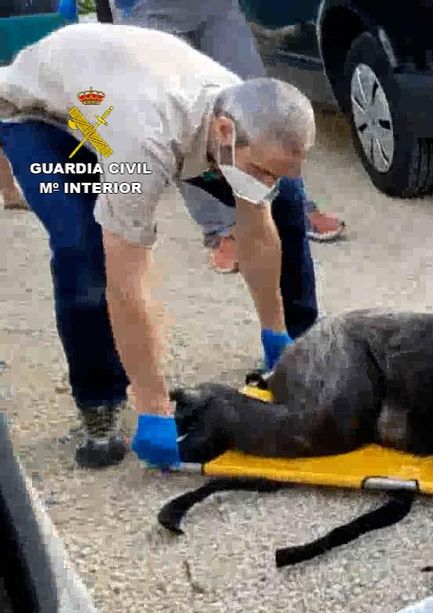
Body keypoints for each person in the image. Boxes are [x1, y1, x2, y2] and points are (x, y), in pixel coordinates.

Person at [0, 22, 321, 470]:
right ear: (225, 132)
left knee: (285, 199)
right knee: (84, 249)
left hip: (117, 94)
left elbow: (257, 223)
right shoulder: (144, 145)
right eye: (262, 169)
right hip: (44, 119)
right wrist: (154, 406)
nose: (263, 180)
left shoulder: (245, 110)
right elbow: (128, 279)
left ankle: (298, 344)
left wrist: (276, 334)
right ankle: (99, 399)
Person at [110, 0, 345, 274]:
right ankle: (220, 229)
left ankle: (291, 208)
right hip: (147, 12)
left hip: (216, 6)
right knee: (185, 119)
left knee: (261, 104)